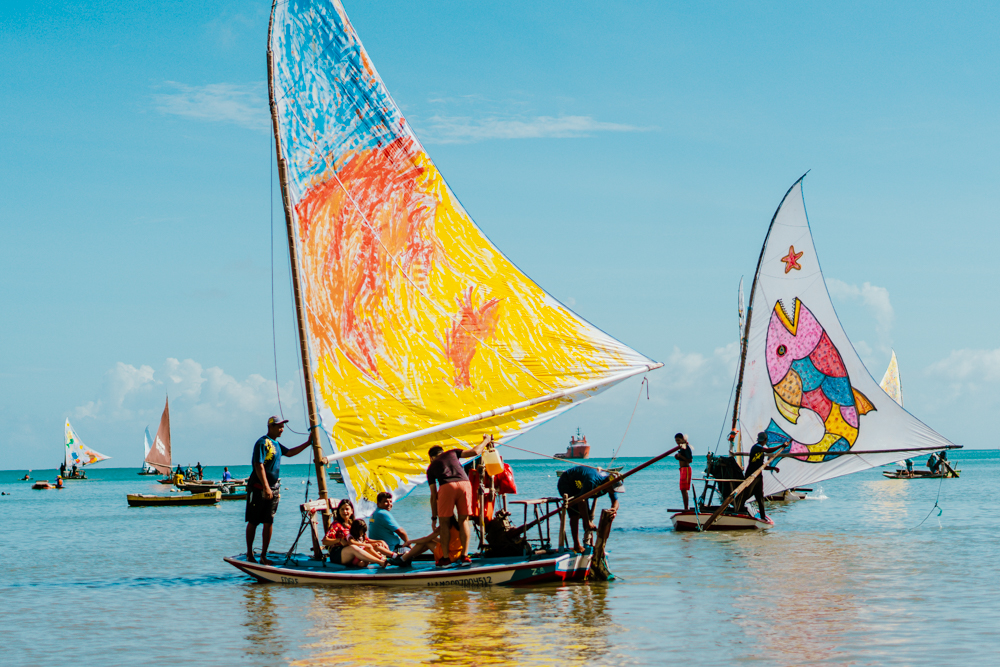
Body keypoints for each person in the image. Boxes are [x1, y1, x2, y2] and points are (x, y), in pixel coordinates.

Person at [245, 416, 313, 565]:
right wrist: (266, 487)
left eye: (283, 426)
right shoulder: (263, 442)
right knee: (254, 521)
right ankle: (250, 554)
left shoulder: (276, 444)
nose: (282, 429)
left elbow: (289, 453)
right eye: (279, 426)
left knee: (269, 521)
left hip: (273, 489)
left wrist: (308, 443)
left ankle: (263, 555)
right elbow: (258, 465)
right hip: (258, 488)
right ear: (271, 427)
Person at [426, 434, 492, 566]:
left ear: (432, 458)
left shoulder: (431, 468)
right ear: (442, 452)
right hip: (464, 484)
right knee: (464, 521)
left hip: (447, 486)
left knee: (444, 523)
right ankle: (465, 556)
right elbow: (475, 452)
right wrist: (486, 440)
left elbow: (433, 495)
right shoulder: (452, 453)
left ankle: (445, 558)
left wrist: (434, 518)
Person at [556, 465, 621, 553]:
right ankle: (576, 545)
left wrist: (614, 510)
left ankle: (588, 543)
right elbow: (582, 501)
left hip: (582, 487)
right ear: (607, 483)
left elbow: (615, 501)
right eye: (613, 489)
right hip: (568, 482)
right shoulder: (592, 481)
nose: (614, 491)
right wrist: (588, 523)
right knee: (575, 514)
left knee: (587, 513)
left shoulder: (611, 485)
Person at [369, 491, 438, 567]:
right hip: (391, 551)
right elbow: (401, 532)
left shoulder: (375, 513)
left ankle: (408, 556)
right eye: (385, 502)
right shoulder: (383, 513)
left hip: (385, 548)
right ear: (378, 503)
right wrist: (409, 544)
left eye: (390, 502)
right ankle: (403, 559)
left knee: (421, 545)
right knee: (423, 544)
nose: (389, 504)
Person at [321, 499, 386, 567]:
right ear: (339, 511)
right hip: (338, 553)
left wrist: (379, 541)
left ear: (352, 511)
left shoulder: (354, 524)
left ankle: (392, 557)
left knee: (374, 546)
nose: (344, 511)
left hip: (353, 551)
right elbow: (325, 541)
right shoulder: (336, 525)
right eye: (342, 509)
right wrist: (339, 540)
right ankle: (380, 562)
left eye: (347, 509)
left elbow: (365, 539)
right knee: (353, 547)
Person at [745, 432, 783, 521]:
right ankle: (738, 508)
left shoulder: (761, 451)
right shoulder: (757, 447)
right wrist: (781, 446)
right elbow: (768, 450)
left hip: (758, 476)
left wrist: (773, 468)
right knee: (746, 494)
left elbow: (762, 466)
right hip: (751, 475)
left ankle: (762, 517)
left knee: (760, 497)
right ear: (765, 440)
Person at [674, 433, 694, 510]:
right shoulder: (682, 448)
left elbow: (690, 460)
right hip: (682, 469)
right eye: (676, 441)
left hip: (686, 469)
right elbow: (682, 458)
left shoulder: (686, 448)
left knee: (684, 490)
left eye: (678, 440)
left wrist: (680, 456)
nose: (677, 442)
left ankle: (686, 507)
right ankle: (685, 507)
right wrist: (678, 457)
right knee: (682, 490)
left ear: (682, 439)